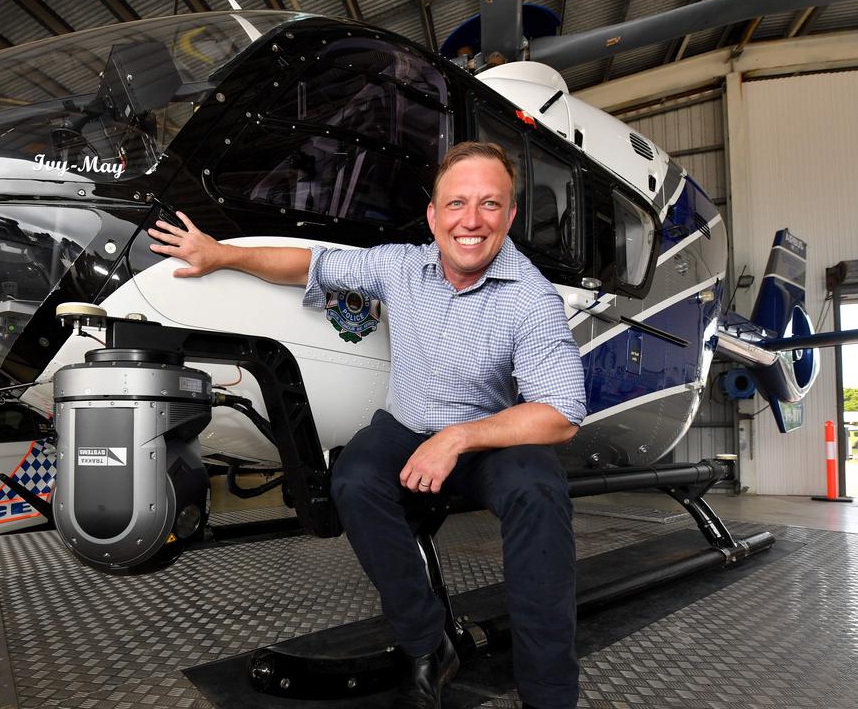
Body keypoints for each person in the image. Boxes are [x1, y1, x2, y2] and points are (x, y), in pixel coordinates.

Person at [148, 141, 586, 709]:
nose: (471, 221)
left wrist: (456, 439)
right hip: (404, 426)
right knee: (352, 481)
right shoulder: (399, 266)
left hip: (487, 436)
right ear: (433, 215)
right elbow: (310, 265)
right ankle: (427, 642)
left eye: (489, 204)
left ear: (509, 215)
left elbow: (561, 414)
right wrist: (222, 254)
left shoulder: (533, 299)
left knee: (540, 493)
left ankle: (549, 693)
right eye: (456, 204)